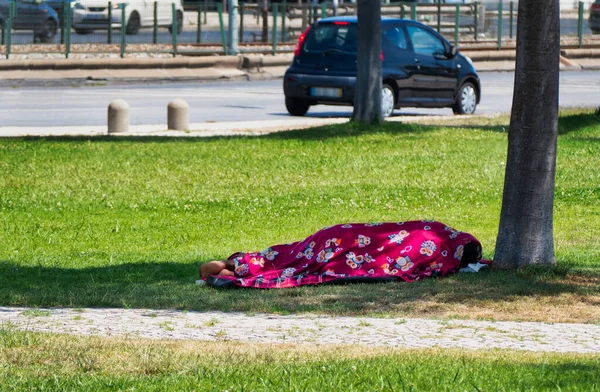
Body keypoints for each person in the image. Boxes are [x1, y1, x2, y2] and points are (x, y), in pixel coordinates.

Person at [199, 220, 484, 289]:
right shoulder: (439, 252)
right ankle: (229, 272)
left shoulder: (434, 227)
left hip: (340, 234)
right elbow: (410, 266)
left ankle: (234, 263)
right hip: (350, 252)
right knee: (304, 268)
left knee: (291, 254)